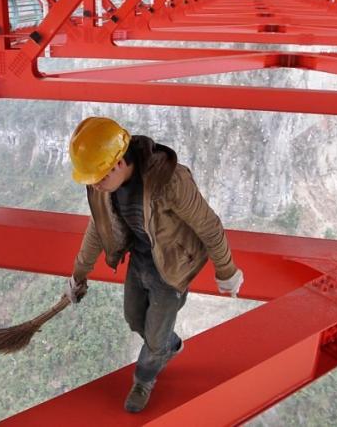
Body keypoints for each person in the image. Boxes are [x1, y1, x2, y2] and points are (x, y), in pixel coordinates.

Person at [63, 116, 244, 413]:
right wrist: (78, 276)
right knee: (134, 319)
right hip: (141, 259)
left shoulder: (170, 182)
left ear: (119, 163)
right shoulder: (104, 188)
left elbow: (209, 226)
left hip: (171, 268)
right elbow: (98, 228)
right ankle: (168, 345)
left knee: (155, 339)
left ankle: (144, 380)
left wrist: (226, 270)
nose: (95, 184)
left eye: (99, 177)